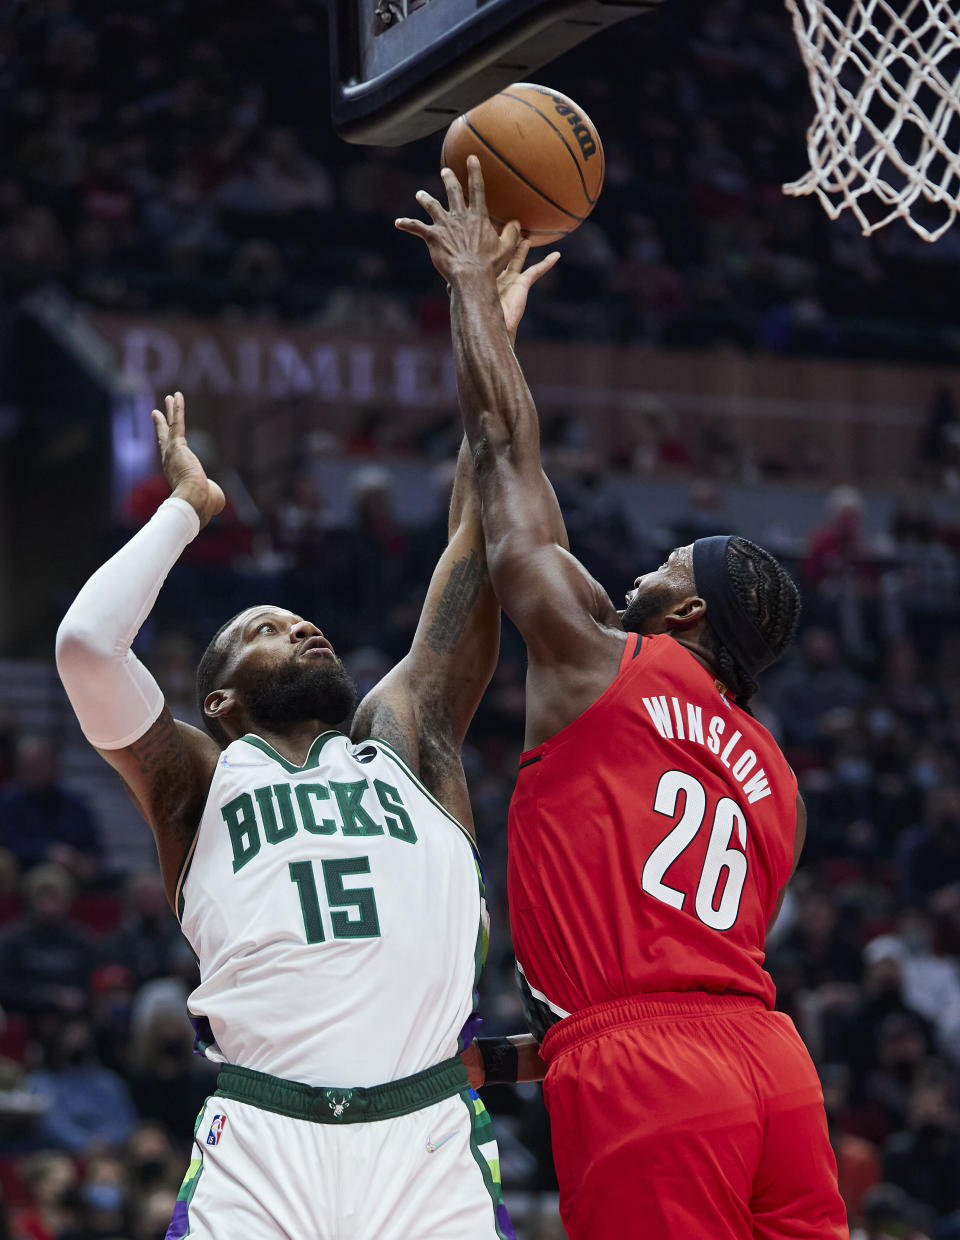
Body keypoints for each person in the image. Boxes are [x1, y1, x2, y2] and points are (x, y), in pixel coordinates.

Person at [55, 250, 552, 1240]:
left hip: (423, 1142)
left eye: (300, 621)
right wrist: (187, 509)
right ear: (224, 697)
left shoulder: (409, 741)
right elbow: (84, 645)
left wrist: (485, 334)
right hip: (265, 1139)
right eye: (268, 626)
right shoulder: (200, 779)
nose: (303, 627)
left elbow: (481, 530)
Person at [397, 157, 848, 1239]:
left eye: (668, 568)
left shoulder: (601, 664)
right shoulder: (778, 783)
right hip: (774, 1071)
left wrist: (472, 293)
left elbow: (505, 459)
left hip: (648, 1073)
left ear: (689, 619)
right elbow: (676, 961)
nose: (644, 568)